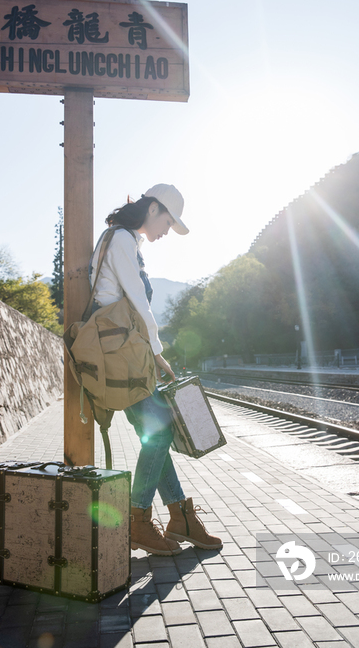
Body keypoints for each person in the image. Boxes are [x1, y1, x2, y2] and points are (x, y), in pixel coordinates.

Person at [89, 183, 222, 556]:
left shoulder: (124, 240)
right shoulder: (121, 242)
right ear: (153, 209)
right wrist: (160, 355)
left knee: (157, 431)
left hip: (125, 352)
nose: (167, 230)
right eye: (168, 221)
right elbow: (138, 306)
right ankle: (139, 521)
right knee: (160, 429)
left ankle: (180, 518)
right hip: (121, 355)